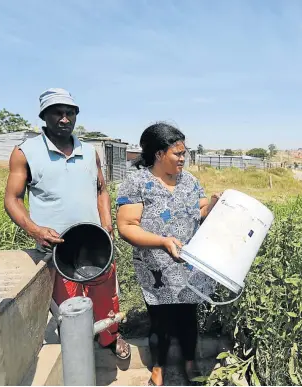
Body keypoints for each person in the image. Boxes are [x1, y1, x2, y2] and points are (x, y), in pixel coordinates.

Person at [4, 88, 130, 360]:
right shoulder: (25, 152)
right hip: (57, 246)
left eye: (70, 113)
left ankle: (110, 336)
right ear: (44, 116)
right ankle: (76, 351)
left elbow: (101, 190)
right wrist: (35, 229)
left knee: (106, 295)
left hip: (95, 241)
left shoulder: (89, 150)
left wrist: (107, 223)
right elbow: (12, 199)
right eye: (57, 113)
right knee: (68, 305)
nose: (64, 118)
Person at [116, 122, 220, 385]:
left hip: (189, 265)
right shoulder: (137, 182)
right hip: (156, 267)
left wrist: (215, 204)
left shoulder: (190, 181)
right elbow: (126, 226)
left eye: (185, 153)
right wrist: (162, 242)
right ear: (159, 154)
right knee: (160, 320)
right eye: (178, 153)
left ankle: (189, 362)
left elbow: (200, 211)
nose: (183, 158)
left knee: (187, 316)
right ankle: (158, 369)